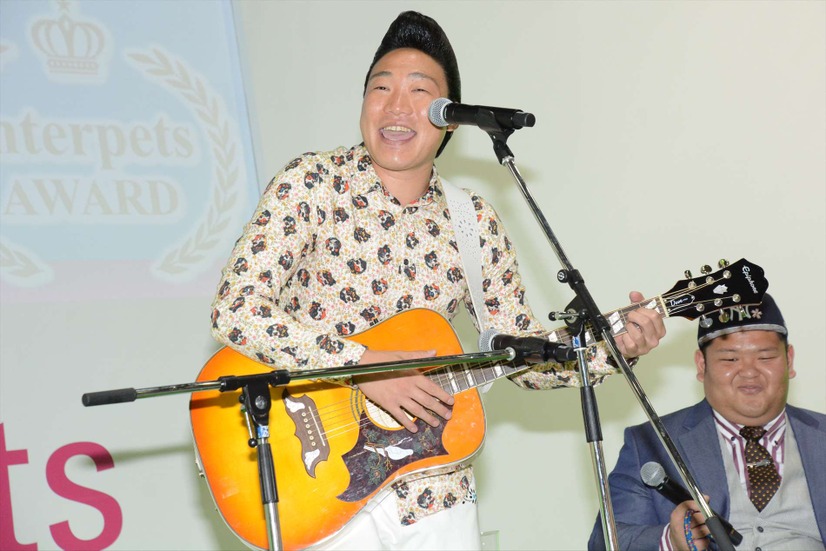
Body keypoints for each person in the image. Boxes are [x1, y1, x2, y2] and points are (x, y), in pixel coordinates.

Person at [211, 11, 665, 550]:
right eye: (381, 88)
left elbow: (521, 356)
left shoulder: (473, 220)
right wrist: (361, 367)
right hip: (318, 483)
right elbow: (236, 309)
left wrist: (612, 347)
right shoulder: (312, 183)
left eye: (419, 92)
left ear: (449, 120)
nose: (396, 106)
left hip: (437, 492)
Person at [588, 293, 826, 551]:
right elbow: (605, 542)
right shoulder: (651, 442)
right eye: (730, 359)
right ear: (702, 365)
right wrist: (669, 541)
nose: (749, 372)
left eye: (765, 357)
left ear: (789, 360)